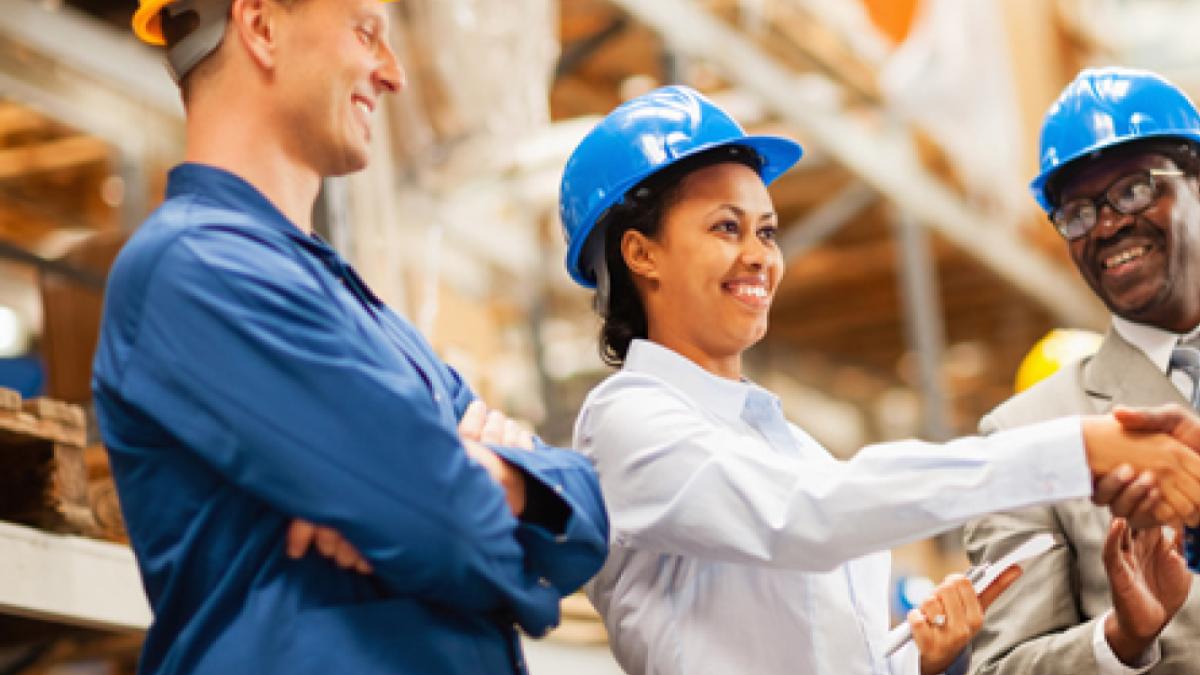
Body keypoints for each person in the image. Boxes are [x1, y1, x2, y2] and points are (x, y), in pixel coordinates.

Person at [556, 85, 1200, 675]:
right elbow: (809, 514)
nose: (759, 256)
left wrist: (912, 661)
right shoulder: (628, 423)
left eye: (767, 231)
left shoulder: (791, 447)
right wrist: (1075, 452)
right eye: (727, 227)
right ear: (641, 253)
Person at [93, 1, 607, 673]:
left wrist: (496, 474)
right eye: (366, 32)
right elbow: (443, 522)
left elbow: (584, 513)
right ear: (261, 26)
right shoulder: (193, 268)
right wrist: (458, 487)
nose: (393, 75)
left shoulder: (365, 315)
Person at [964, 67, 1200, 675]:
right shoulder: (1025, 435)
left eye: (1134, 190)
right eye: (1077, 212)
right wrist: (1118, 641)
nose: (1108, 225)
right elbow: (1001, 667)